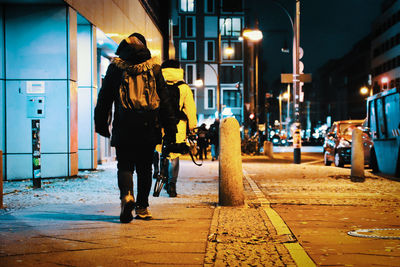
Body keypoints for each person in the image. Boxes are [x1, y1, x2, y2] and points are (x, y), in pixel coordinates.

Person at [94, 33, 176, 223]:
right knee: (145, 168)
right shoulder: (154, 68)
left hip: (124, 125)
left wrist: (101, 124)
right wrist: (170, 130)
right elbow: (165, 102)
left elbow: (104, 98)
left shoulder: (115, 68)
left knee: (125, 166)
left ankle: (127, 196)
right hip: (149, 127)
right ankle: (142, 207)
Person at [160, 59, 197, 197]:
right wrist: (192, 126)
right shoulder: (184, 87)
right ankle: (172, 186)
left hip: (160, 124)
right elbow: (190, 109)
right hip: (178, 125)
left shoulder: (158, 84)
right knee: (174, 155)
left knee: (160, 151)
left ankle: (162, 178)